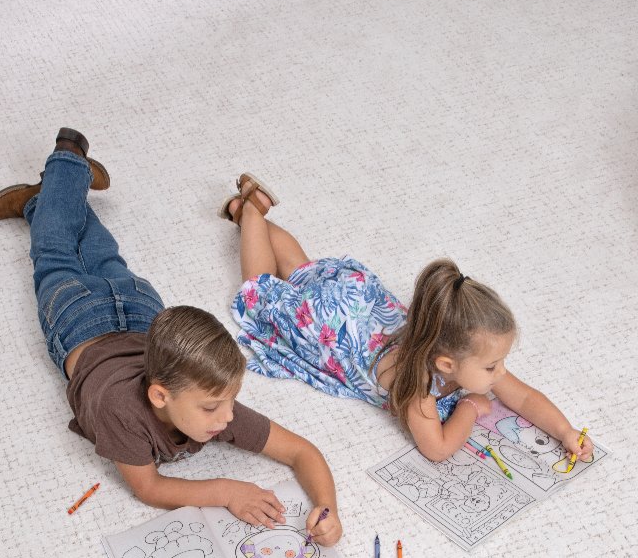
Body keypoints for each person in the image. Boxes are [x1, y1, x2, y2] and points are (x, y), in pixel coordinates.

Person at [0, 130, 342, 545]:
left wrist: (329, 509)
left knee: (102, 251)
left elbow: (302, 452)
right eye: (213, 407)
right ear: (160, 396)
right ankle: (64, 161)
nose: (228, 418)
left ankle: (54, 194)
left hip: (140, 312)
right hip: (77, 319)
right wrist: (226, 490)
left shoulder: (206, 394)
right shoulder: (121, 411)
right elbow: (149, 487)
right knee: (54, 253)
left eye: (229, 400)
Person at [219, 173, 594, 464]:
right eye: (494, 366)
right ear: (447, 363)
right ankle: (251, 212)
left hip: (358, 299)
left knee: (302, 270)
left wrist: (564, 430)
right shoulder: (417, 393)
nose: (500, 375)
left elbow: (526, 398)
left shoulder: (459, 352)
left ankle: (248, 209)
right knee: (262, 290)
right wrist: (468, 407)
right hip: (328, 324)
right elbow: (438, 449)